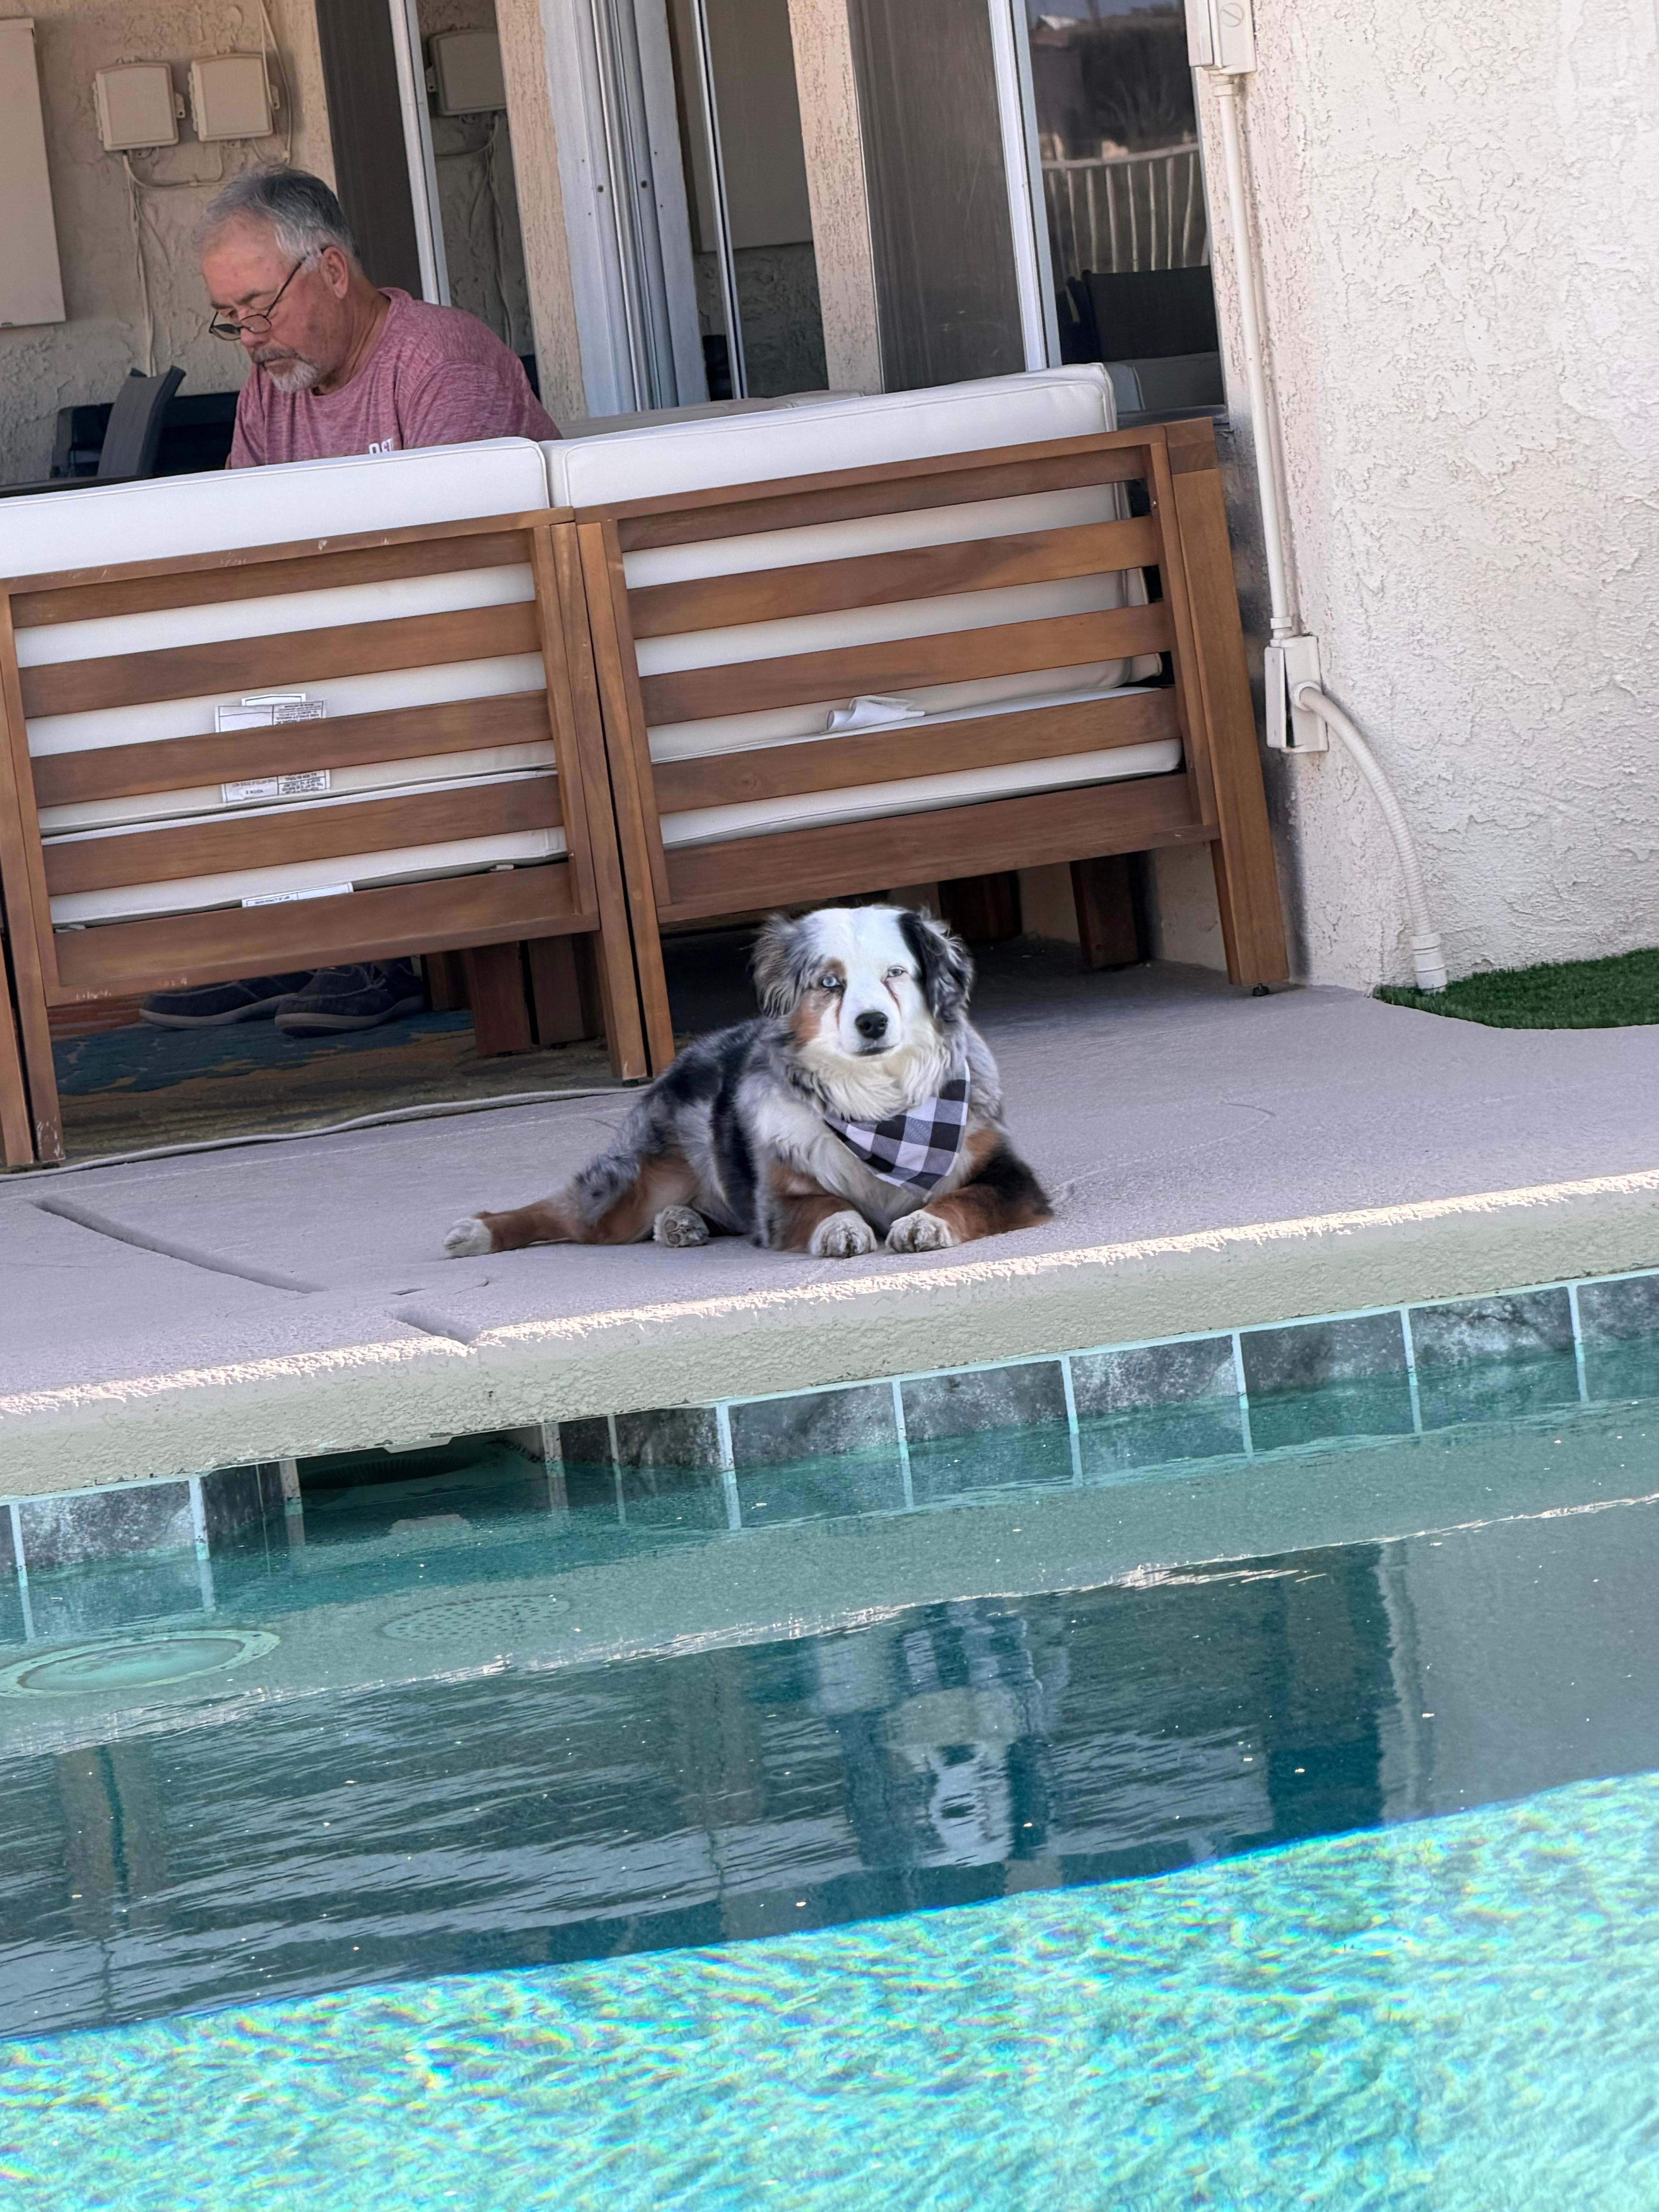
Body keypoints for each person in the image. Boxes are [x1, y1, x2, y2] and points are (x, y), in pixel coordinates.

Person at [141, 167, 559, 1034]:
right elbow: (237, 543)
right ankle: (288, 935)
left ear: (332, 270)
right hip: (346, 644)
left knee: (318, 691)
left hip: (482, 651)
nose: (251, 340)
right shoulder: (276, 384)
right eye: (232, 320)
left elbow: (463, 567)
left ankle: (367, 942)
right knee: (222, 687)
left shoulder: (440, 359)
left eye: (261, 309)